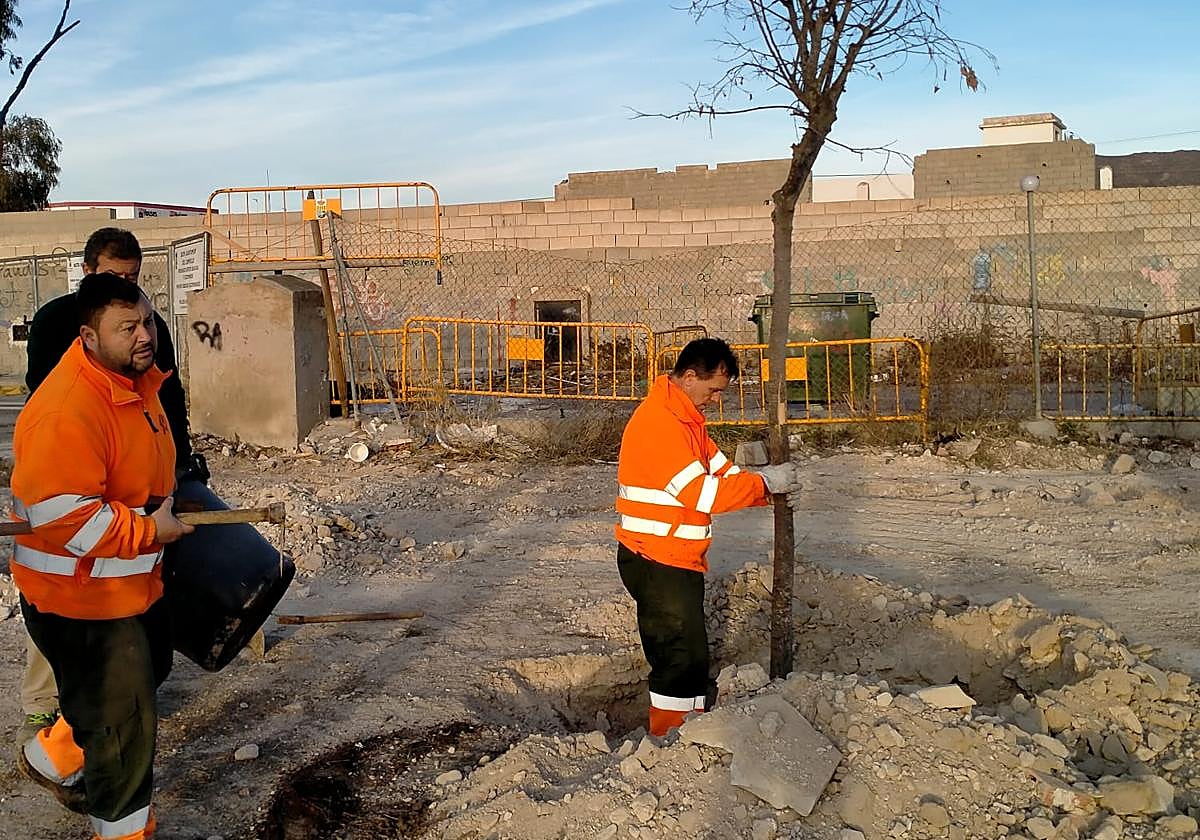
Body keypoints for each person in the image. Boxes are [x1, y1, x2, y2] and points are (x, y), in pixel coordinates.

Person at [11, 272, 194, 839]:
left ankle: (54, 757)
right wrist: (149, 530)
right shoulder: (67, 411)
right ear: (88, 337)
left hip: (128, 585)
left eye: (146, 322)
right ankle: (123, 830)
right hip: (82, 600)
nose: (145, 335)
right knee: (123, 730)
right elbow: (68, 519)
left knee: (153, 669)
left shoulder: (135, 384)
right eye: (127, 328)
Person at [615, 337, 800, 737]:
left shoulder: (686, 421)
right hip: (657, 558)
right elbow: (703, 494)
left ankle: (688, 727)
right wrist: (765, 483)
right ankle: (670, 739)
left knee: (689, 651)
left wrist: (768, 489)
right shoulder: (661, 425)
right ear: (688, 377)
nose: (716, 399)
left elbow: (722, 471)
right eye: (713, 389)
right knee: (678, 655)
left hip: (675, 555)